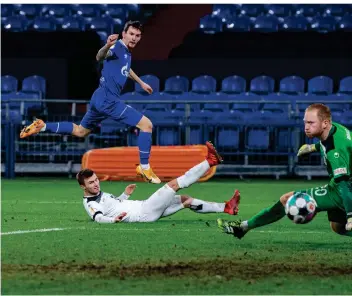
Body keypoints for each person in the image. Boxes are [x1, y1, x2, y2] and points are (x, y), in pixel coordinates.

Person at [20, 20, 161, 184]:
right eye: (131, 34)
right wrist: (107, 45)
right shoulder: (116, 47)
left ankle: (42, 126)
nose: (135, 38)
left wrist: (141, 83)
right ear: (124, 34)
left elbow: (126, 68)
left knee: (81, 131)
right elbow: (99, 56)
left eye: (138, 35)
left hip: (98, 98)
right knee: (146, 125)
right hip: (108, 100)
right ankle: (144, 168)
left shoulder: (126, 53)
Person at [217, 103, 352, 238]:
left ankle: (243, 227)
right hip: (340, 186)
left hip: (344, 190)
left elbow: (344, 185)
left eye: (311, 123)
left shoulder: (335, 151)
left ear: (325, 123)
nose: (306, 127)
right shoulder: (335, 129)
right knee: (338, 226)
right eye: (305, 123)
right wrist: (313, 148)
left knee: (287, 199)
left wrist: (351, 215)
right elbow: (329, 143)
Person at [78, 142, 240, 223]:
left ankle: (226, 208)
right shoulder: (90, 203)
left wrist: (125, 195)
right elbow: (98, 217)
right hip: (143, 212)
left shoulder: (99, 194)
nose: (96, 184)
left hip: (144, 208)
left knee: (186, 200)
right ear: (82, 186)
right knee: (173, 185)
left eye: (96, 180)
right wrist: (113, 221)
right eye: (91, 183)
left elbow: (115, 206)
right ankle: (209, 161)